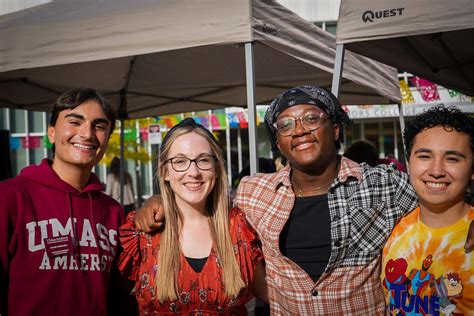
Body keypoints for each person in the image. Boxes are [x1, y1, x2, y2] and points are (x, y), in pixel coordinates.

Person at [135, 86, 473, 314]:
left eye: (312, 119)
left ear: (336, 129)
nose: (299, 130)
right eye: (286, 125)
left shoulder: (383, 185)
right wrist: (157, 199)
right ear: (278, 143)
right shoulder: (254, 193)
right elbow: (201, 194)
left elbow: (440, 184)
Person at [117, 118, 267, 314]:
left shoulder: (239, 227)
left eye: (204, 160)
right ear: (165, 172)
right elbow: (113, 300)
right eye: (180, 161)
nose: (194, 172)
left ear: (216, 168)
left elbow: (272, 293)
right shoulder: (143, 231)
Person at [0, 88, 129, 315]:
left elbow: (119, 297)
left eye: (99, 126)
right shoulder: (10, 197)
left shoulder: (113, 212)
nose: (87, 134)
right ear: (51, 132)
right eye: (75, 122)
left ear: (107, 140)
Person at [381, 105, 473, 315]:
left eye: (452, 159)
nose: (436, 171)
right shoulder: (392, 230)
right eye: (424, 156)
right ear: (409, 163)